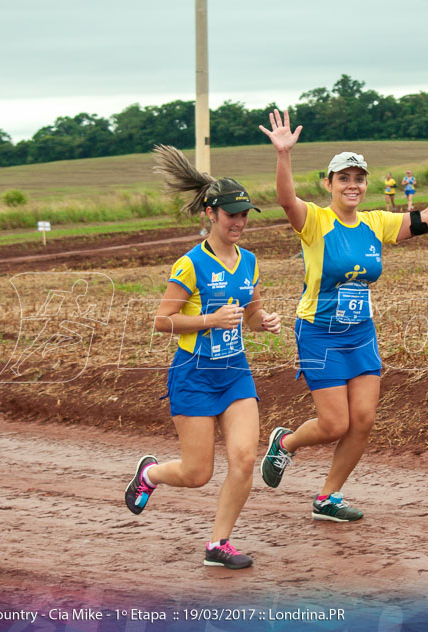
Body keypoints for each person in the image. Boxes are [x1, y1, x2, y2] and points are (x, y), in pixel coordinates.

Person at [257, 109, 428, 521]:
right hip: (318, 332)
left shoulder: (375, 223)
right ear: (328, 184)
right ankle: (287, 443)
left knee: (362, 421)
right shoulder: (315, 220)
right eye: (343, 178)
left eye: (358, 178)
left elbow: (425, 219)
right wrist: (283, 155)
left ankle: (328, 498)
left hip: (360, 333)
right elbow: (285, 200)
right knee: (333, 425)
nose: (352, 185)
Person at [124, 145, 282, 570]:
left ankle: (218, 543)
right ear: (210, 214)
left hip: (235, 373)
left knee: (245, 458)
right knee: (197, 475)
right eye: (233, 214)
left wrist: (262, 321)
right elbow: (162, 321)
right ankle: (150, 475)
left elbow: (247, 313)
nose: (241, 222)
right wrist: (210, 319)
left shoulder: (249, 262)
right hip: (193, 374)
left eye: (246, 214)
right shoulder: (190, 264)